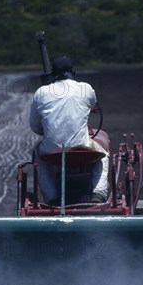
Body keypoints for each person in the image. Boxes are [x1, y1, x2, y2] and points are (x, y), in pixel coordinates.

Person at [29, 56, 109, 205]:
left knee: (37, 154)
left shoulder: (41, 92)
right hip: (82, 150)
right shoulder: (86, 88)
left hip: (53, 154)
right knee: (103, 155)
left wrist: (48, 129)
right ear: (73, 72)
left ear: (52, 73)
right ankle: (98, 193)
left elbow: (34, 126)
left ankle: (52, 197)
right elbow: (93, 105)